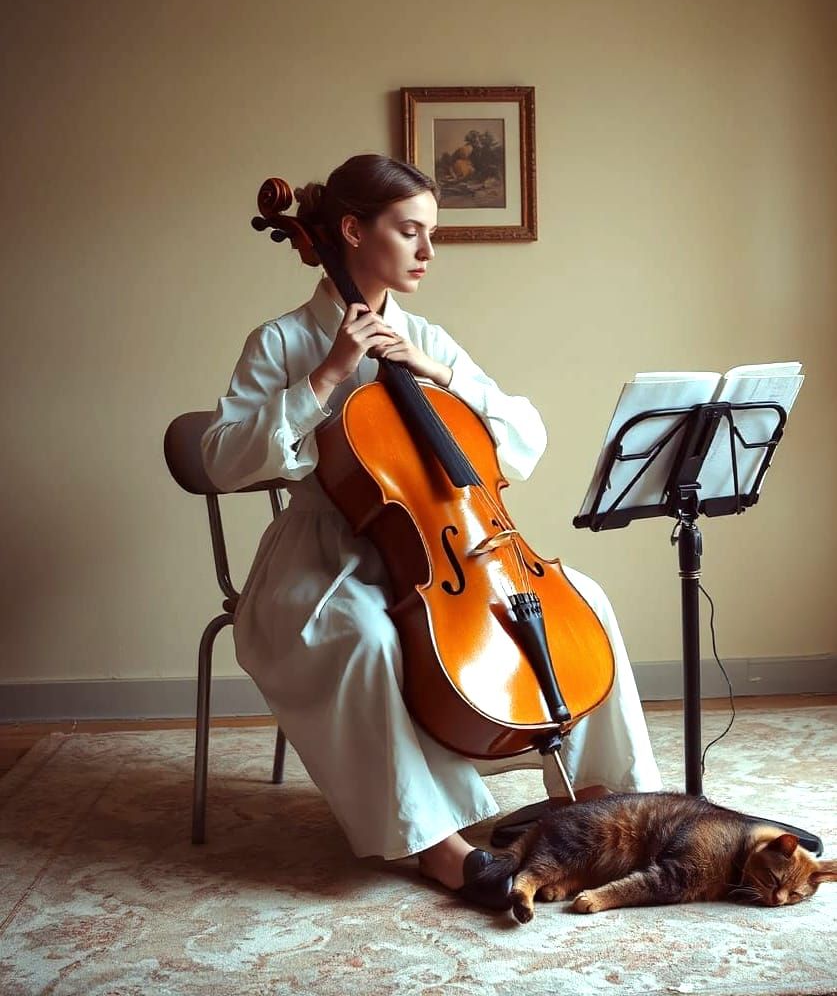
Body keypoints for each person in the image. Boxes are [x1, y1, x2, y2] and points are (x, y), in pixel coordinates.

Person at [201, 153, 662, 908]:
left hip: (450, 550)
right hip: (325, 555)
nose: (427, 252)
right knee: (366, 638)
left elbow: (520, 440)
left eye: (431, 234)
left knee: (580, 600)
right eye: (410, 232)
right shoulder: (282, 342)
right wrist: (325, 376)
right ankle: (436, 845)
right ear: (349, 230)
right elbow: (221, 458)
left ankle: (615, 798)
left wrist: (442, 375)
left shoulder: (427, 337)